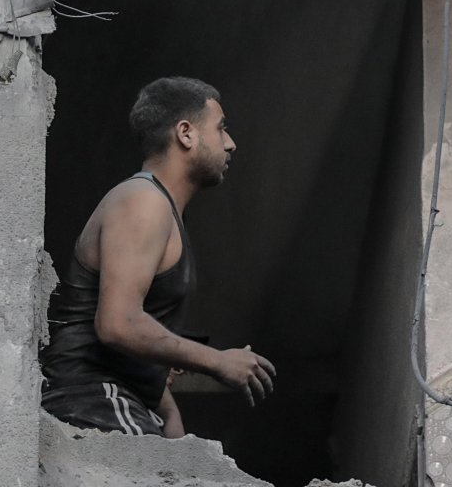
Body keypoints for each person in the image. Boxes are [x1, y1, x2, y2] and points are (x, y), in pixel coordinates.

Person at [40, 77, 276, 437]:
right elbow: (118, 324)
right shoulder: (143, 201)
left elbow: (136, 329)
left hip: (120, 401)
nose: (230, 144)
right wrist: (218, 361)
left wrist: (167, 410)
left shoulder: (159, 207)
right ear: (186, 133)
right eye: (221, 128)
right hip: (93, 400)